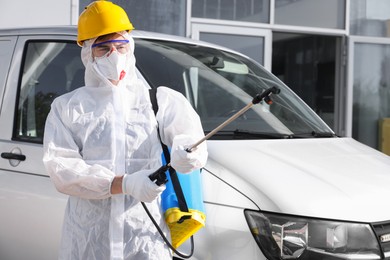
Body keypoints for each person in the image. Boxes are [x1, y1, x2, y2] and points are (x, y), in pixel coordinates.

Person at [42, 1, 208, 259]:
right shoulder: (67, 108)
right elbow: (62, 170)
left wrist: (186, 155)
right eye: (104, 48)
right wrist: (124, 183)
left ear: (131, 48)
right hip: (89, 242)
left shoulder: (160, 101)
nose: (115, 55)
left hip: (144, 241)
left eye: (121, 46)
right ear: (87, 52)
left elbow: (192, 143)